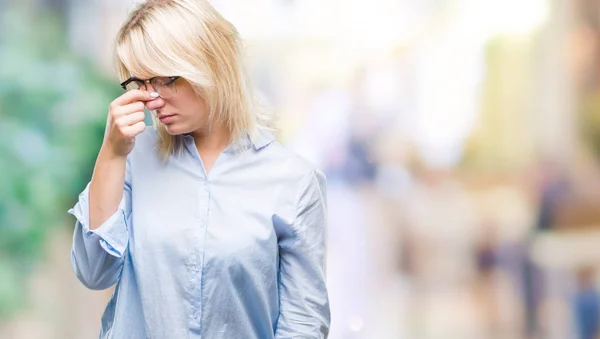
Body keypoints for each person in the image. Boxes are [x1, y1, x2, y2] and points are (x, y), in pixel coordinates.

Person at [67, 1, 330, 338]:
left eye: (164, 79)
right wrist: (111, 152)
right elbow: (93, 272)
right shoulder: (132, 158)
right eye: (141, 84)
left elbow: (304, 325)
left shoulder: (295, 182)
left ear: (213, 64)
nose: (152, 99)